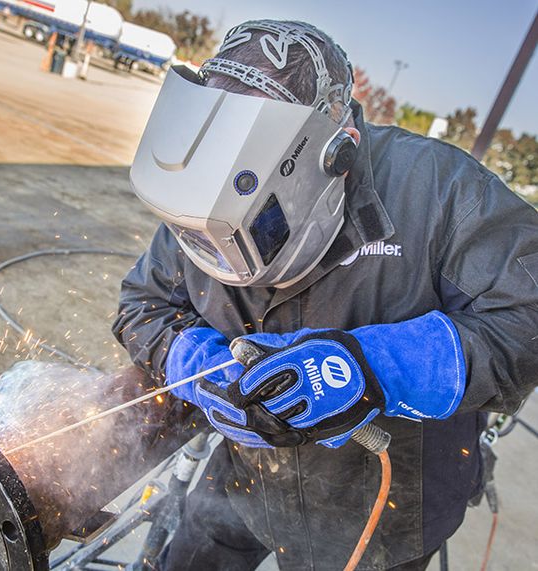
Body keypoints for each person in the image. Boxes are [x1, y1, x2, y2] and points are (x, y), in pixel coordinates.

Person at [112, 20, 538, 571]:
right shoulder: (207, 189)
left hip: (385, 511)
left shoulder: (440, 189)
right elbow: (143, 304)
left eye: (261, 220)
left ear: (336, 152)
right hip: (246, 478)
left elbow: (527, 315)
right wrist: (195, 364)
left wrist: (377, 368)